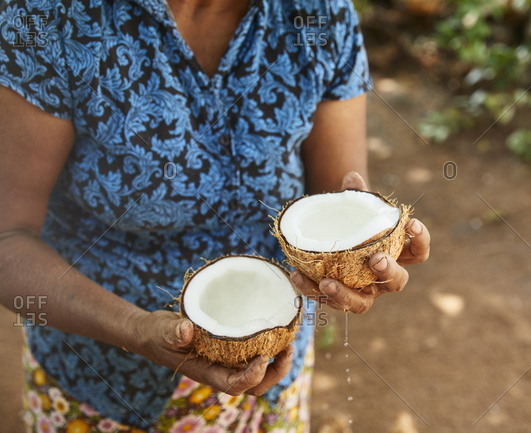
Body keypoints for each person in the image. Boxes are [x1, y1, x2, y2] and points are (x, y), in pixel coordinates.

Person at [0, 0, 430, 431]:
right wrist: (135, 330)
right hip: (102, 385)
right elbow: (7, 240)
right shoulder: (48, 17)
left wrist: (362, 255)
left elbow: (337, 193)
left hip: (271, 372)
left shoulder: (318, 14)